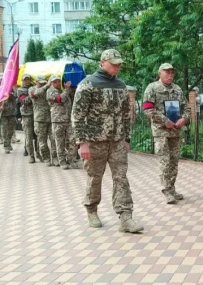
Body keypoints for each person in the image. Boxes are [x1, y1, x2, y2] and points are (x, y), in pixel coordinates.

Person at [72, 49, 143, 233]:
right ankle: (91, 209)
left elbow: (126, 114)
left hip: (117, 140)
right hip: (95, 141)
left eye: (119, 64)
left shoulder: (121, 85)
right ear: (102, 62)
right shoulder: (87, 84)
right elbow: (77, 116)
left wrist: (126, 138)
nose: (117, 67)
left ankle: (125, 216)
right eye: (114, 64)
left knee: (121, 177)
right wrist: (82, 143)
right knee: (95, 177)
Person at [142, 63, 190, 204]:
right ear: (160, 73)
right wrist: (164, 121)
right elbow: (147, 109)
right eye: (167, 72)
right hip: (161, 131)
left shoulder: (177, 89)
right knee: (165, 161)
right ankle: (167, 191)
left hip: (175, 130)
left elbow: (186, 107)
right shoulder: (152, 88)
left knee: (174, 161)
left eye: (172, 72)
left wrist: (184, 119)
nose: (170, 75)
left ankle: (172, 188)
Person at [47, 75, 79, 170]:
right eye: (54, 82)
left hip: (68, 120)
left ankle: (70, 159)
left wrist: (69, 89)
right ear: (51, 83)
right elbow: (60, 99)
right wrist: (66, 89)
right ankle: (62, 161)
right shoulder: (50, 91)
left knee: (73, 140)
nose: (57, 83)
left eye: (58, 81)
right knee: (59, 142)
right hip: (58, 121)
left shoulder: (63, 90)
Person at [30, 75, 59, 166]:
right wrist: (47, 85)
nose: (42, 84)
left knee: (54, 140)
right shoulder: (32, 89)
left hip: (51, 118)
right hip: (39, 120)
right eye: (41, 83)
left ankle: (55, 158)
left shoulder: (49, 90)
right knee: (42, 142)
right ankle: (46, 158)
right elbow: (36, 93)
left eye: (44, 82)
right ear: (36, 82)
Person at [17, 74, 38, 163]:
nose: (26, 81)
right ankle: (31, 155)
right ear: (22, 81)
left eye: (28, 79)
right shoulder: (20, 90)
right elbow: (25, 101)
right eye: (25, 80)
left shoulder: (34, 88)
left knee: (38, 135)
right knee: (29, 136)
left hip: (37, 114)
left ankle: (38, 153)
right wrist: (32, 93)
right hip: (27, 115)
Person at [0, 87, 16, 154]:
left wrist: (9, 93)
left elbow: (15, 97)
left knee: (11, 131)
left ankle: (8, 143)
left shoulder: (11, 89)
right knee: (4, 130)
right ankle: (6, 146)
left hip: (11, 113)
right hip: (3, 114)